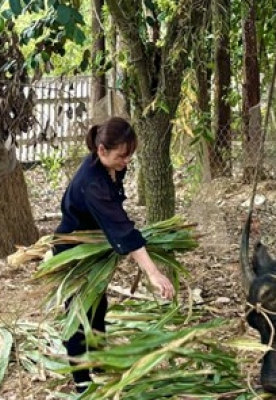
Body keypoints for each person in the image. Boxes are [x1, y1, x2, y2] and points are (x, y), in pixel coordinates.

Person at [54, 116, 175, 392]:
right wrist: (153, 273)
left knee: (98, 307)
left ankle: (96, 362)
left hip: (94, 246)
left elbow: (116, 220)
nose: (126, 161)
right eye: (122, 155)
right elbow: (122, 229)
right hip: (74, 251)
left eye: (130, 155)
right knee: (79, 312)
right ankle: (82, 382)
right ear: (101, 151)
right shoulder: (93, 183)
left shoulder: (111, 167)